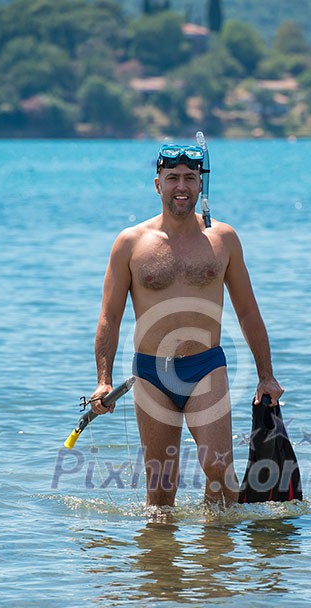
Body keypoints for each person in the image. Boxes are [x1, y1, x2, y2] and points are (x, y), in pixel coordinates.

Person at [90, 142, 283, 507]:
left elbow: (248, 311)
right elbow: (109, 318)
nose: (182, 186)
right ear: (157, 184)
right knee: (161, 490)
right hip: (151, 372)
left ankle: (217, 557)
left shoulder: (222, 239)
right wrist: (104, 381)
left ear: (201, 184)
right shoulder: (130, 243)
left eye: (190, 178)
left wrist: (266, 375)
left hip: (205, 365)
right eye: (173, 178)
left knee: (218, 469)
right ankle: (162, 563)